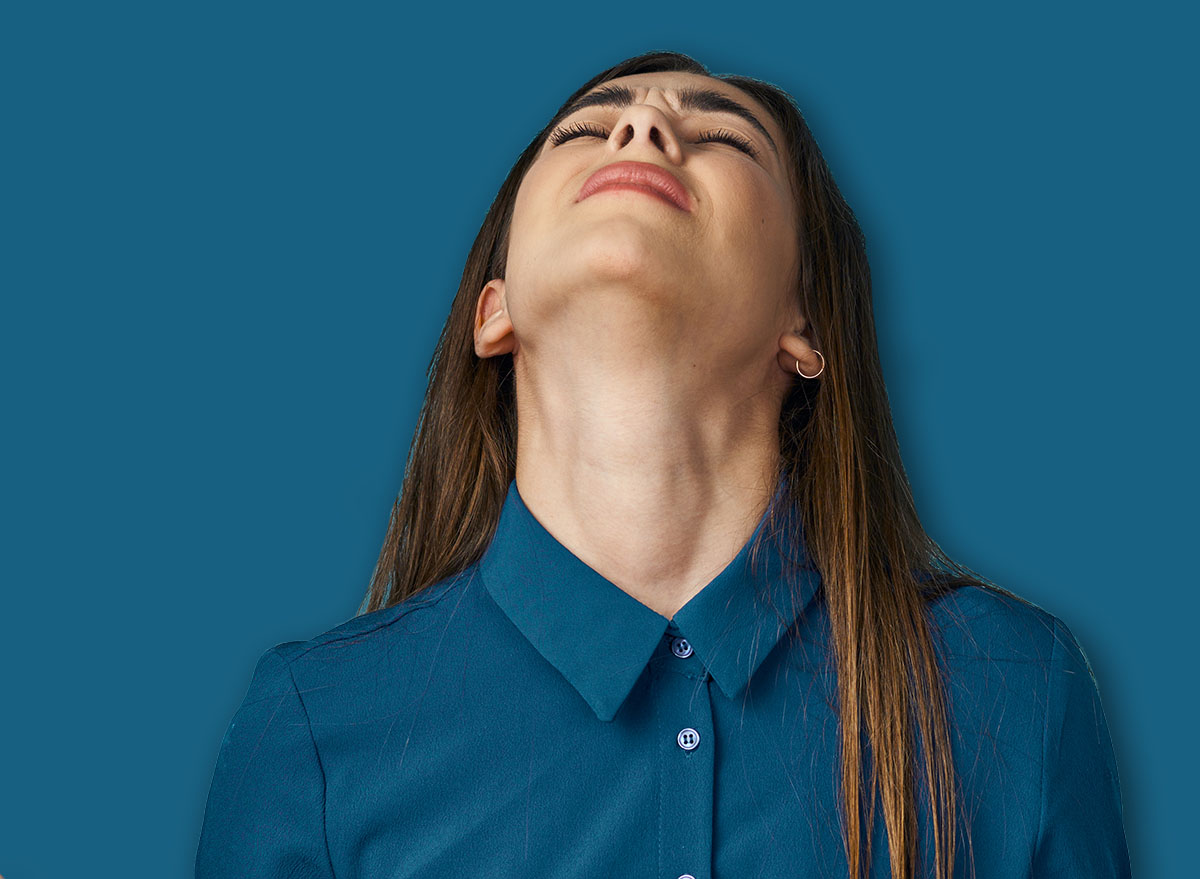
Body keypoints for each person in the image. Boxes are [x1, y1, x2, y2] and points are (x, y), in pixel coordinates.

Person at [195, 50, 1132, 878]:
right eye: (585, 129)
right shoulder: (313, 730)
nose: (642, 129)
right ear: (495, 310)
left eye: (722, 137)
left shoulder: (1016, 690)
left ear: (804, 324)